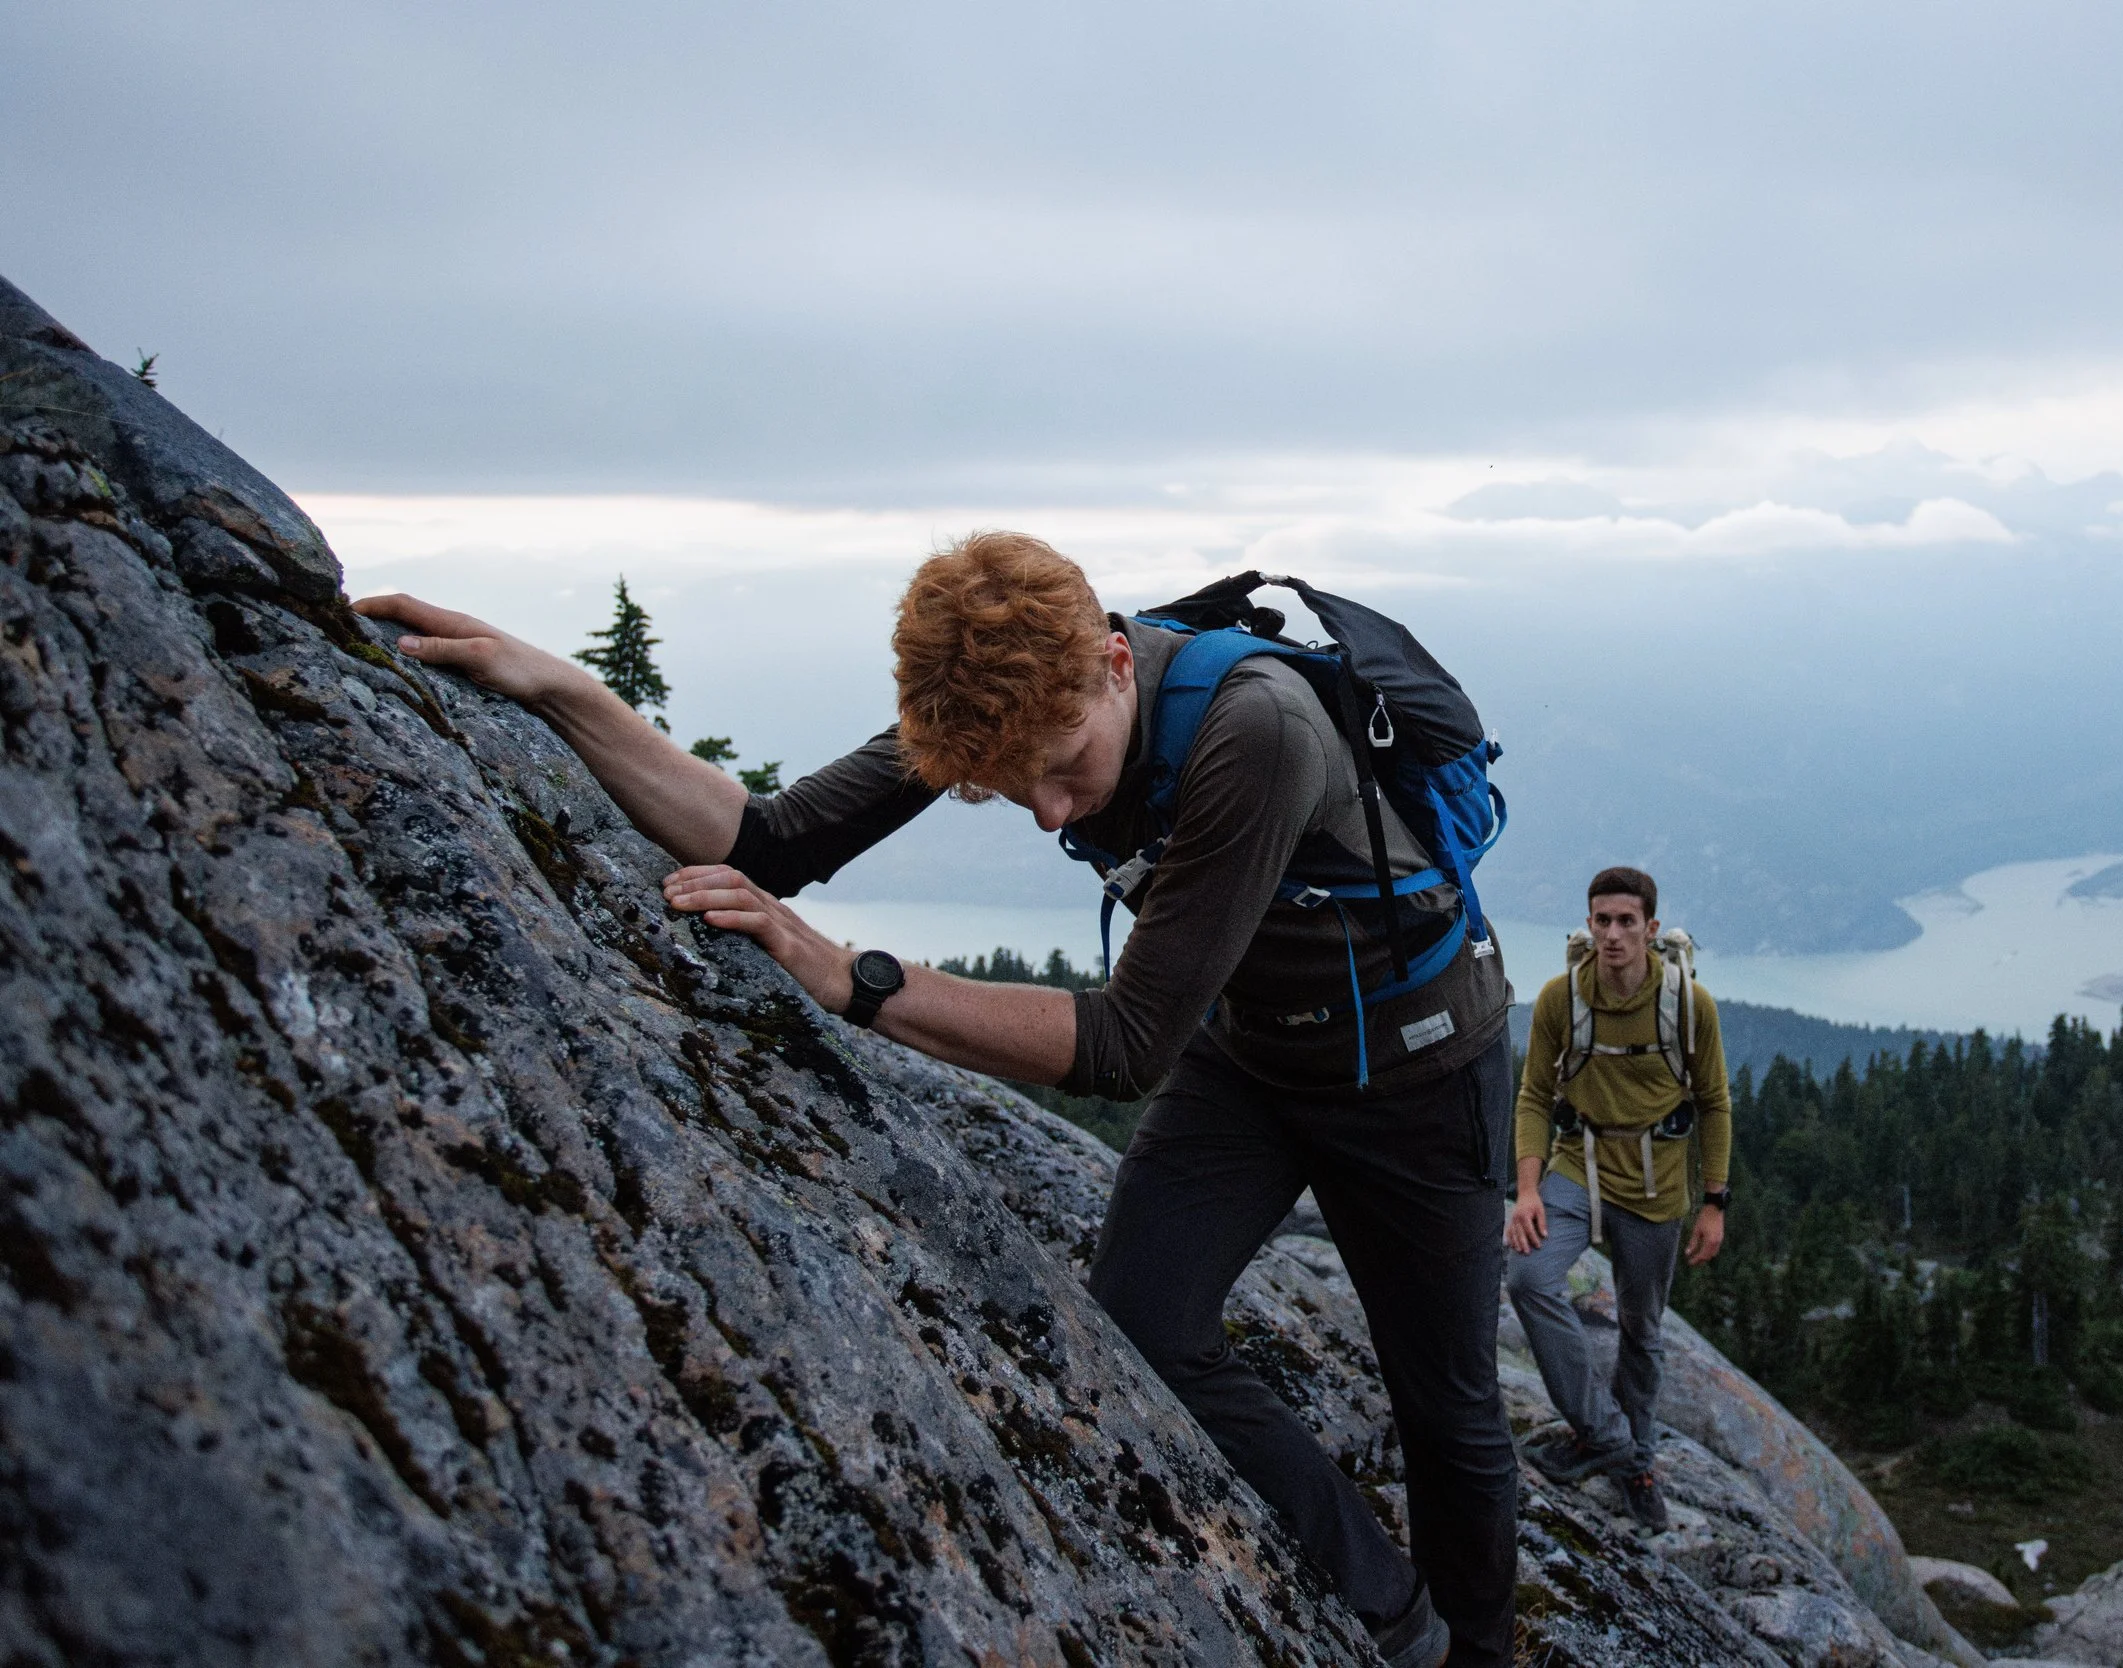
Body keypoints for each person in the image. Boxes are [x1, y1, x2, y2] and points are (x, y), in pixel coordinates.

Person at [357, 533, 1516, 1668]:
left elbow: (1124, 1043)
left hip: (1416, 1069)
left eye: (1063, 767)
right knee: (1143, 1320)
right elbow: (772, 839)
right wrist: (559, 688)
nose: (1051, 813)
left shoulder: (1255, 730)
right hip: (1251, 1056)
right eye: (1009, 791)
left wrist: (854, 977)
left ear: (1115, 662)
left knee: (1446, 1404)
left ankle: (1479, 1652)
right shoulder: (996, 701)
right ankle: (1392, 1615)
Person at [1503, 866, 1730, 1531]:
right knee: (1530, 1278)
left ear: (1650, 929)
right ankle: (1612, 1442)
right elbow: (1534, 1096)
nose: (1612, 935)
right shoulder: (1562, 998)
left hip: (1656, 1183)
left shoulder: (1689, 1004)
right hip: (1578, 1165)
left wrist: (1715, 1203)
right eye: (1602, 920)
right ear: (1589, 924)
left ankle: (1634, 1457)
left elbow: (1714, 1103)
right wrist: (1526, 1191)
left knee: (1641, 1327)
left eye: (1627, 921)